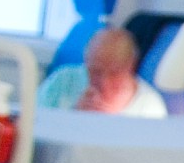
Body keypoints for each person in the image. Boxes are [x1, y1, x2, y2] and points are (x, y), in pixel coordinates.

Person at [37, 27, 168, 117]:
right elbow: (32, 126)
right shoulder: (62, 81)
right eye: (95, 72)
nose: (103, 82)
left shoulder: (150, 106)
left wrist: (108, 125)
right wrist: (74, 117)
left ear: (131, 67)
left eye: (114, 73)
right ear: (86, 62)